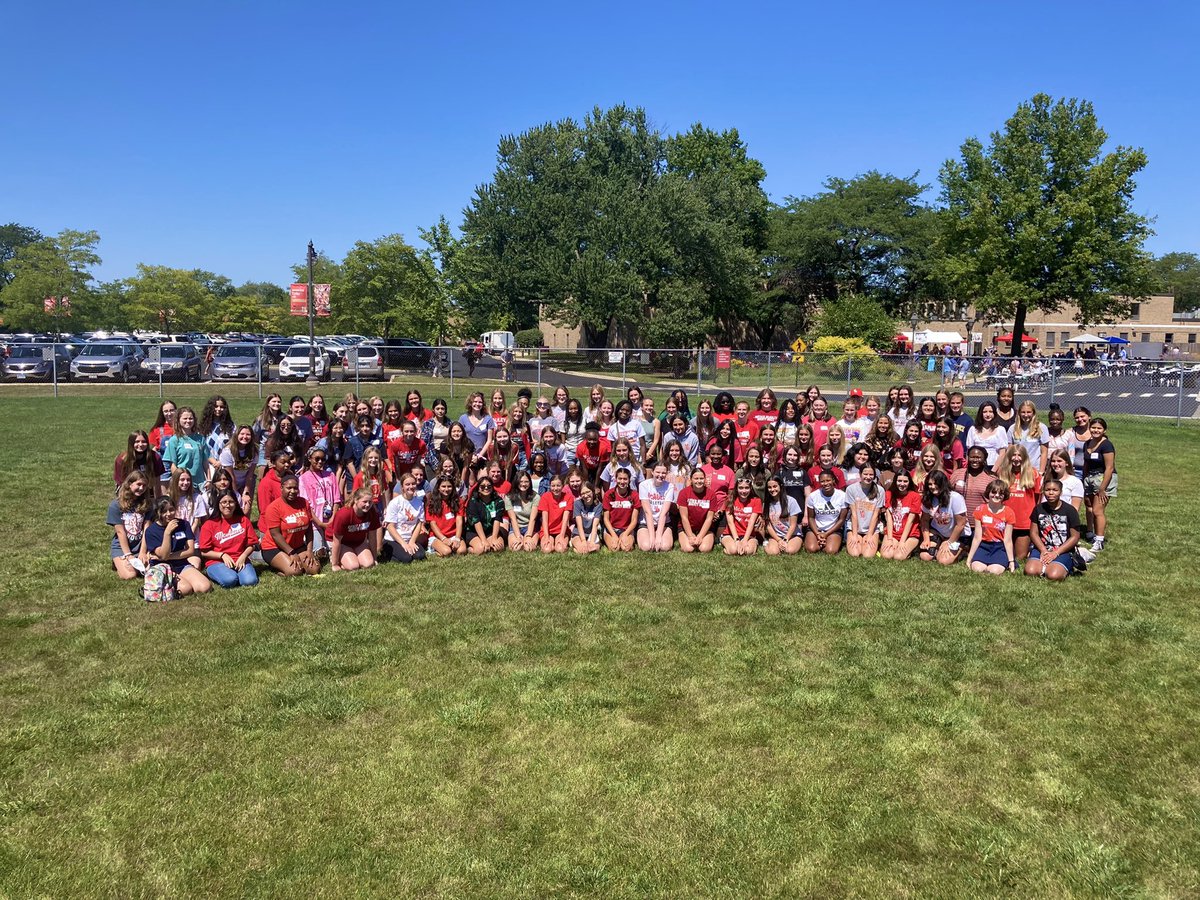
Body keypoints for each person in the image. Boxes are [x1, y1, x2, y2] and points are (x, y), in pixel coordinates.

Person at [144, 497, 212, 596]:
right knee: (185, 589)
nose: (168, 514)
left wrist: (170, 557)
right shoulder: (151, 531)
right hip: (162, 566)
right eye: (164, 511)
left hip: (181, 563)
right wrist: (167, 533)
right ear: (157, 512)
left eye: (171, 509)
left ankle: (180, 579)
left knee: (204, 587)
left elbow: (190, 551)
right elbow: (163, 555)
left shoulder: (184, 524)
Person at [259, 473, 322, 577]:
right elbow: (275, 535)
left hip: (297, 546)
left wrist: (309, 550)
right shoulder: (274, 507)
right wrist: (291, 553)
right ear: (281, 488)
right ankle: (278, 568)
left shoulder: (303, 502)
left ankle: (290, 562)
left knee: (314, 569)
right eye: (289, 488)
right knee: (295, 572)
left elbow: (309, 528)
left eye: (295, 488)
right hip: (274, 547)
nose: (292, 491)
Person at [198, 490, 260, 589]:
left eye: (231, 502)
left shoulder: (244, 521)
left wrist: (243, 556)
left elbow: (251, 544)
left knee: (250, 581)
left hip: (240, 558)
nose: (228, 505)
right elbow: (204, 552)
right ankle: (214, 572)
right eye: (224, 502)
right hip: (217, 561)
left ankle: (237, 573)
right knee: (230, 580)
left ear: (236, 504)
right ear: (218, 504)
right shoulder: (209, 524)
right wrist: (222, 555)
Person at [1025, 479, 1083, 581]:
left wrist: (1055, 553)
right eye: (1047, 490)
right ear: (1043, 491)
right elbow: (1033, 533)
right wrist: (1043, 550)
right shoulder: (1038, 509)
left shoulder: (1070, 510)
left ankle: (1066, 567)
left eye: (1054, 490)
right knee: (1030, 571)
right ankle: (1044, 565)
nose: (1051, 493)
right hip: (1042, 548)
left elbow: (1075, 537)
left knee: (1053, 575)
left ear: (1060, 492)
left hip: (1063, 550)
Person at [996, 445, 1041, 561]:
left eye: (1019, 455)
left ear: (1024, 457)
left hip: (1024, 521)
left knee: (1019, 557)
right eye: (1013, 455)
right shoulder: (1001, 472)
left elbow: (1038, 498)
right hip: (1005, 519)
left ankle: (1030, 547)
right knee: (1003, 554)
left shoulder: (1033, 473)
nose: (1016, 458)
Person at [108, 471, 154, 580]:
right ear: (130, 484)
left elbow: (147, 528)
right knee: (130, 575)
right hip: (122, 547)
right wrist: (128, 555)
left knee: (149, 571)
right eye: (138, 484)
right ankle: (118, 562)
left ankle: (132, 561)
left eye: (144, 485)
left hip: (140, 545)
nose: (141, 488)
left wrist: (143, 552)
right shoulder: (115, 505)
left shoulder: (147, 504)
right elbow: (120, 532)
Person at [1082, 417, 1117, 552]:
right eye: (1093, 428)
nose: (1095, 430)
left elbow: (1109, 467)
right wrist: (1084, 480)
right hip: (1090, 478)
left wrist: (1103, 488)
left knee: (1098, 511)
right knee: (1090, 507)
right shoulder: (1088, 443)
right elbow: (1086, 463)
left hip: (1103, 478)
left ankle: (1099, 541)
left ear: (1104, 430)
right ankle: (1092, 534)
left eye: (1099, 428)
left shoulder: (1106, 445)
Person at [918, 471, 968, 565]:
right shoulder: (928, 498)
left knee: (943, 561)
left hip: (958, 534)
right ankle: (939, 545)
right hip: (938, 531)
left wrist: (949, 542)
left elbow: (961, 524)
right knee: (925, 556)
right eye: (930, 484)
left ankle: (963, 549)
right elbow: (924, 520)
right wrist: (926, 539)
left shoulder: (955, 497)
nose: (933, 487)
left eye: (936, 483)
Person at [299, 446, 341, 558]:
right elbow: (306, 504)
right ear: (309, 459)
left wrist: (332, 519)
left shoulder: (330, 475)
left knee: (335, 549)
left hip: (331, 518)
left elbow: (337, 499)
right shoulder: (303, 479)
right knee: (320, 552)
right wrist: (319, 523)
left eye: (323, 459)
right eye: (317, 459)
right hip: (314, 521)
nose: (320, 462)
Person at [968, 480, 1016, 575]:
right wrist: (969, 559)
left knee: (994, 571)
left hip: (999, 546)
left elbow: (1008, 539)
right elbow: (977, 537)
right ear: (988, 492)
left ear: (1004, 496)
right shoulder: (980, 510)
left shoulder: (1009, 512)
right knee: (977, 568)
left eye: (1001, 493)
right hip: (984, 545)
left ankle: (1002, 561)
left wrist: (1011, 561)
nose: (997, 495)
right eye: (993, 492)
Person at [329, 487, 382, 572]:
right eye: (364, 502)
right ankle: (335, 557)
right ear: (356, 500)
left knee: (368, 564)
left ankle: (353, 556)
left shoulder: (372, 512)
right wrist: (334, 564)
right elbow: (336, 541)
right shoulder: (344, 514)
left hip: (360, 542)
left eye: (370, 502)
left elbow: (372, 537)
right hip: (343, 543)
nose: (368, 505)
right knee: (353, 566)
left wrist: (375, 558)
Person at [383, 473, 427, 564]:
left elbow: (419, 523)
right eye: (407, 484)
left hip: (409, 537)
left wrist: (412, 541)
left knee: (420, 556)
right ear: (402, 487)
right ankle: (387, 552)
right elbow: (390, 526)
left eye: (413, 484)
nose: (411, 486)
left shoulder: (419, 503)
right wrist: (403, 544)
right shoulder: (395, 502)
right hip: (394, 539)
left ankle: (406, 549)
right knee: (407, 559)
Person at [845, 463, 885, 558]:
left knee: (867, 555)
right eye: (865, 474)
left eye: (871, 475)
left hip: (872, 528)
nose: (868, 477)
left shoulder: (880, 490)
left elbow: (876, 514)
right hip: (855, 527)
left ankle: (867, 540)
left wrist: (870, 535)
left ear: (874, 476)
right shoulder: (851, 489)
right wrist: (854, 535)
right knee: (855, 553)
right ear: (860, 474)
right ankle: (858, 539)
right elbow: (853, 514)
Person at [804, 470, 848, 555]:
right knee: (811, 549)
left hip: (833, 529)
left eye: (828, 480)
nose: (825, 483)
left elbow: (841, 520)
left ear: (833, 480)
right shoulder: (813, 496)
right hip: (816, 529)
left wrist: (826, 534)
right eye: (822, 481)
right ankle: (818, 540)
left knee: (830, 551)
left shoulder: (842, 496)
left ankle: (826, 541)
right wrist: (817, 533)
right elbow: (811, 518)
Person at [881, 471, 921, 560]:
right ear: (895, 481)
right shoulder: (888, 494)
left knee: (898, 557)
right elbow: (889, 519)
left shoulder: (915, 496)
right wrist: (890, 539)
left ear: (909, 482)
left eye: (905, 481)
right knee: (886, 555)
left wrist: (902, 542)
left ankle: (912, 550)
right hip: (894, 532)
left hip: (910, 534)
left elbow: (910, 521)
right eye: (899, 481)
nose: (902, 484)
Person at [162, 406, 207, 486]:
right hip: (183, 484)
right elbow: (173, 465)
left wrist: (209, 480)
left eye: (190, 418)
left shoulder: (200, 439)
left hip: (200, 483)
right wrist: (179, 481)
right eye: (185, 419)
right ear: (178, 420)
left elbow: (205, 462)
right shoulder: (174, 440)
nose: (188, 421)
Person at [676, 468, 717, 553]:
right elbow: (684, 517)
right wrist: (690, 536)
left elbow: (709, 519)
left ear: (705, 480)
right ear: (691, 480)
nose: (699, 481)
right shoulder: (684, 493)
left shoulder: (711, 494)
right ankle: (687, 537)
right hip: (686, 528)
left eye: (701, 478)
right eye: (696, 478)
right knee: (688, 549)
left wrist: (700, 536)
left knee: (705, 549)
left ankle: (703, 537)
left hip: (705, 529)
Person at [637, 463, 677, 552]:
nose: (660, 475)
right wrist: (652, 537)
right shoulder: (643, 485)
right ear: (652, 472)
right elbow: (647, 512)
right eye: (658, 472)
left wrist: (658, 537)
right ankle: (650, 534)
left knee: (665, 547)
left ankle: (659, 534)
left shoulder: (669, 486)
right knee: (647, 547)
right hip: (645, 523)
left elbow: (664, 513)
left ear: (666, 474)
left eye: (663, 473)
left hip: (664, 523)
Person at [219, 425, 258, 514]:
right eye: (242, 434)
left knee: (246, 506)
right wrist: (237, 494)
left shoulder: (254, 451)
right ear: (237, 435)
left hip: (246, 481)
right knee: (233, 505)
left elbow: (250, 474)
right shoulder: (227, 451)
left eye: (248, 434)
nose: (245, 437)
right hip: (229, 482)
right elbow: (230, 476)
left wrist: (246, 492)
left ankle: (245, 525)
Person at [114, 430, 165, 494]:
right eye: (137, 442)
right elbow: (122, 484)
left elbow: (157, 483)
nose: (140, 444)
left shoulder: (155, 457)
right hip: (128, 492)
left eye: (144, 442)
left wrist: (157, 501)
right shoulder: (122, 460)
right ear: (131, 443)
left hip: (148, 492)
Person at [762, 475, 803, 555]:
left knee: (789, 551)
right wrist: (778, 540)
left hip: (792, 535)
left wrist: (785, 540)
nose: (772, 489)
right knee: (773, 553)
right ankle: (766, 543)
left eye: (775, 486)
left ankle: (797, 542)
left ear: (780, 486)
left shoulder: (791, 501)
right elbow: (768, 526)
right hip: (776, 536)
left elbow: (793, 525)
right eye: (769, 487)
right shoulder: (766, 504)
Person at [602, 468, 641, 551]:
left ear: (629, 480)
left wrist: (625, 534)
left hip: (626, 529)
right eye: (620, 478)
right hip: (611, 529)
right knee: (614, 548)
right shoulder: (608, 494)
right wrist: (614, 535)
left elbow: (634, 520)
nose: (622, 482)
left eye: (625, 479)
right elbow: (606, 519)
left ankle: (624, 539)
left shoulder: (634, 495)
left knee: (626, 548)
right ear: (616, 479)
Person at [466, 477, 507, 555]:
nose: (486, 488)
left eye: (489, 486)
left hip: (491, 531)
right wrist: (484, 540)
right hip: (474, 531)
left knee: (498, 548)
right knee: (481, 550)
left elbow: (497, 520)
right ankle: (469, 549)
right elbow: (476, 522)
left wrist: (494, 538)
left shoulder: (499, 501)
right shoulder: (473, 502)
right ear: (478, 488)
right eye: (482, 486)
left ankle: (489, 542)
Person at [426, 476, 466, 556]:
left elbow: (459, 521)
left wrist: (457, 538)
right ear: (438, 488)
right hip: (438, 536)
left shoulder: (458, 501)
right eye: (443, 486)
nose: (446, 489)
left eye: (449, 486)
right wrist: (443, 539)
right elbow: (432, 524)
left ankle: (446, 548)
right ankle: (433, 550)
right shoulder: (431, 503)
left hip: (453, 535)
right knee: (447, 552)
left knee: (461, 551)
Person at [721, 477, 761, 556]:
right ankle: (727, 546)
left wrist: (745, 540)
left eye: (747, 488)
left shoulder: (756, 500)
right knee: (733, 551)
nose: (744, 491)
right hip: (731, 534)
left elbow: (751, 523)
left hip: (749, 535)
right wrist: (737, 540)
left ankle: (751, 545)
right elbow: (730, 522)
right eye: (741, 488)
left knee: (748, 551)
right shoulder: (730, 499)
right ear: (736, 488)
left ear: (750, 488)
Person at [1008, 400, 1050, 471]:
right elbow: (1009, 451)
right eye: (1023, 412)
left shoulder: (1041, 428)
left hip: (1034, 469)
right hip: (1017, 469)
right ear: (1019, 413)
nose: (1026, 415)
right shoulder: (1012, 428)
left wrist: (1041, 471)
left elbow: (1044, 452)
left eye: (1029, 412)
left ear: (1033, 413)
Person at [966, 402, 1010, 467]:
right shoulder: (973, 429)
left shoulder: (1000, 430)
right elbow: (969, 451)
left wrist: (993, 471)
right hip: (977, 466)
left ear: (994, 413)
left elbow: (1002, 453)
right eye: (985, 412)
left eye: (991, 411)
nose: (988, 414)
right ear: (981, 413)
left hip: (995, 466)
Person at [505, 471, 540, 551]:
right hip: (516, 528)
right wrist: (518, 536)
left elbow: (533, 519)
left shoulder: (536, 497)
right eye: (521, 481)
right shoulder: (509, 497)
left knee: (528, 548)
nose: (523, 484)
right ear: (516, 482)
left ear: (530, 483)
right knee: (516, 548)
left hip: (531, 527)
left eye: (526, 481)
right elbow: (513, 519)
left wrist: (528, 535)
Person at [537, 475, 572, 553]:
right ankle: (551, 543)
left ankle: (560, 542)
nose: (555, 488)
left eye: (558, 485)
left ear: (562, 486)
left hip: (561, 531)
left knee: (560, 549)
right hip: (547, 530)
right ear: (550, 486)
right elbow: (544, 519)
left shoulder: (568, 497)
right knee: (547, 550)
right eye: (553, 486)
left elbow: (565, 519)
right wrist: (546, 536)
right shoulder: (545, 497)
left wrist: (562, 536)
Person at [571, 481, 604, 554]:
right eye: (583, 493)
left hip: (592, 533)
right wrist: (583, 541)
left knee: (594, 548)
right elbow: (579, 525)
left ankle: (595, 545)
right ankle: (576, 545)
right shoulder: (577, 504)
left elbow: (595, 526)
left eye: (588, 492)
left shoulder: (598, 505)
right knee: (583, 550)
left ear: (592, 491)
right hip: (578, 533)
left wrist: (592, 542)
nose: (585, 496)